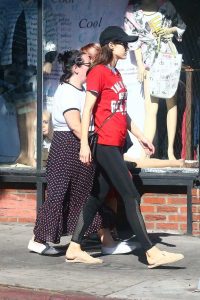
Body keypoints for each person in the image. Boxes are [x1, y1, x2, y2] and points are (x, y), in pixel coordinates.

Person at [66, 26, 184, 268]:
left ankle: (74, 246)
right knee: (130, 195)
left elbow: (122, 113)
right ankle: (151, 252)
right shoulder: (98, 72)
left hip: (116, 143)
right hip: (105, 144)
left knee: (97, 195)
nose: (127, 46)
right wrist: (84, 145)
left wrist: (141, 136)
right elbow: (87, 110)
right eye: (124, 43)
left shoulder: (115, 74)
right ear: (111, 45)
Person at [28, 50, 136, 257]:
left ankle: (107, 240)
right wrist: (95, 143)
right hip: (66, 147)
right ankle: (38, 239)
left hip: (80, 145)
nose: (92, 68)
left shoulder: (82, 90)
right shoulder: (66, 91)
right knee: (59, 195)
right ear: (75, 68)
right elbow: (76, 126)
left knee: (87, 194)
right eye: (88, 64)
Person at [124, 0, 186, 160]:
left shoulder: (166, 7)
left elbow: (181, 27)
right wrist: (139, 65)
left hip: (168, 58)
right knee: (151, 108)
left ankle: (171, 151)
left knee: (171, 104)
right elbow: (133, 40)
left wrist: (169, 30)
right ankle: (147, 152)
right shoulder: (132, 12)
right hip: (149, 62)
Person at [0, 0, 57, 167]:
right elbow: (1, 31)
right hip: (10, 62)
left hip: (33, 62)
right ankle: (23, 153)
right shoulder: (8, 6)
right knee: (21, 108)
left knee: (31, 108)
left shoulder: (43, 6)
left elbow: (50, 33)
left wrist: (49, 59)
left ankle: (30, 153)